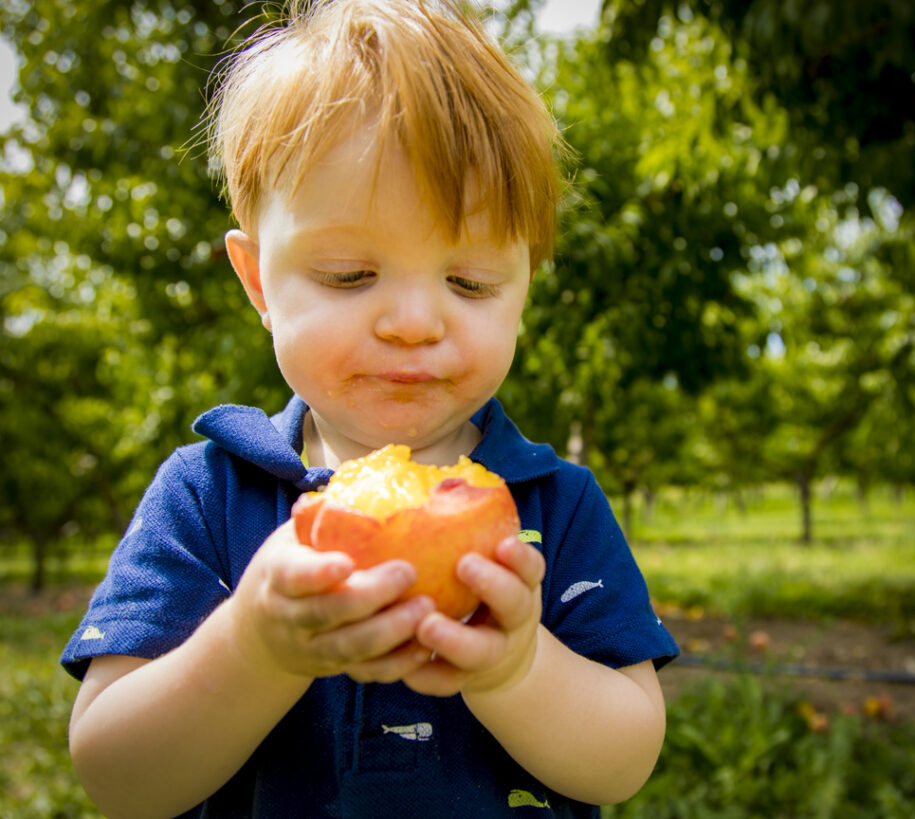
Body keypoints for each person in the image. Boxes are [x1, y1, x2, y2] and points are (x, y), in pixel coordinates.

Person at [61, 1, 679, 816]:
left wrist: (517, 666)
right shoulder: (212, 493)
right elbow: (116, 776)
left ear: (524, 290)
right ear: (258, 284)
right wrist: (254, 646)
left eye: (471, 283)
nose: (415, 322)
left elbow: (623, 759)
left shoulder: (552, 506)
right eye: (351, 274)